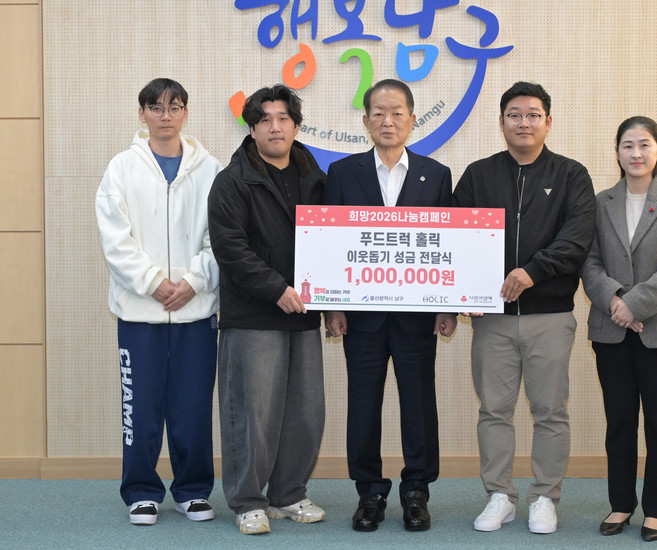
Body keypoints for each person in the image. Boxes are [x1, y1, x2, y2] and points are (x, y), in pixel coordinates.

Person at [453, 81, 595, 534]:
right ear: (501, 122)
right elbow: (456, 240)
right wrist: (467, 293)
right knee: (493, 410)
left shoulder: (571, 174)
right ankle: (500, 495)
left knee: (550, 411)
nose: (524, 123)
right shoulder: (478, 175)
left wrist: (532, 271)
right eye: (514, 115)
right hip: (492, 320)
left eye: (533, 115)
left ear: (548, 122)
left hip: (550, 315)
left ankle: (544, 497)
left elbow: (577, 239)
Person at [325, 79, 457, 532]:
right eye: (378, 113)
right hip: (360, 317)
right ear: (365, 121)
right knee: (363, 405)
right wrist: (332, 306)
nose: (388, 121)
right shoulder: (342, 173)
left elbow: (447, 246)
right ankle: (370, 493)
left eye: (397, 112)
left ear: (412, 119)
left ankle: (416, 492)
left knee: (419, 405)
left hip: (416, 317)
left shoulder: (436, 175)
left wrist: (447, 306)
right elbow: (332, 245)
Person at [95, 78, 222, 525]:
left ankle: (193, 491)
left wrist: (193, 281)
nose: (165, 116)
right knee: (140, 407)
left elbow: (222, 236)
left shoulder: (211, 170)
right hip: (139, 313)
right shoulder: (121, 168)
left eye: (174, 107)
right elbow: (115, 240)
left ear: (186, 113)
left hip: (196, 311)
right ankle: (141, 492)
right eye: (156, 107)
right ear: (142, 113)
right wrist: (153, 283)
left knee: (193, 406)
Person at [208, 84, 327, 535]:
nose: (275, 127)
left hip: (304, 314)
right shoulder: (232, 181)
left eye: (283, 119)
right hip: (254, 314)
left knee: (305, 412)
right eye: (264, 120)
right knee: (251, 412)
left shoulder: (317, 178)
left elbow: (334, 244)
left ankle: (288, 494)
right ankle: (247, 500)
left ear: (296, 126)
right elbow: (230, 249)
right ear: (252, 128)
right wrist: (276, 289)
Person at [581, 116, 657, 542]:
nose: (636, 153)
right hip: (611, 331)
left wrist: (633, 304)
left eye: (644, 144)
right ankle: (621, 504)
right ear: (616, 152)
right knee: (619, 423)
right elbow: (589, 262)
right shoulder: (600, 203)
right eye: (628, 145)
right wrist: (615, 300)